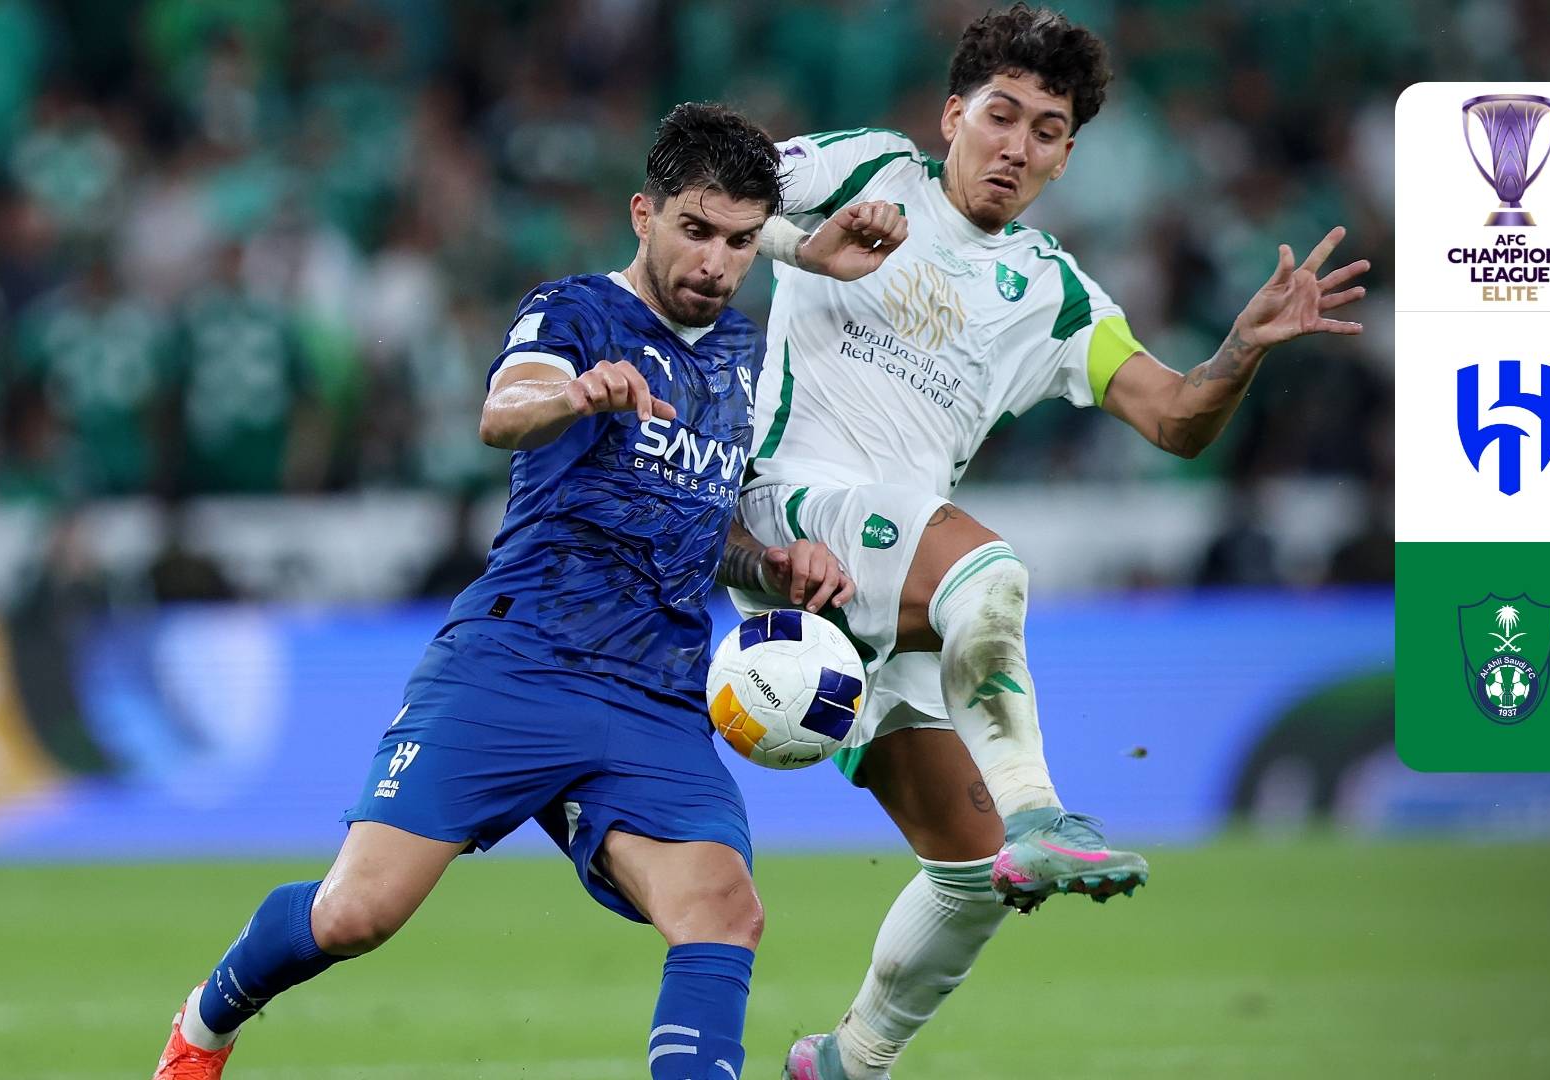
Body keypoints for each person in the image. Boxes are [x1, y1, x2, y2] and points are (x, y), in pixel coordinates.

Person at [150, 102, 901, 1079]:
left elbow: (701, 517)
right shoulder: (574, 313)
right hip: (518, 661)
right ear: (644, 214)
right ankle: (205, 1025)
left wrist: (773, 563)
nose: (716, 263)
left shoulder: (740, 355)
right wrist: (575, 395)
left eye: (740, 241)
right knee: (356, 914)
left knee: (721, 911)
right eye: (696, 230)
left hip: (655, 689)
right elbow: (504, 411)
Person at [733, 7, 1370, 1077]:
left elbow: (1175, 419)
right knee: (989, 570)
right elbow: (713, 194)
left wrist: (1239, 351)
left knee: (973, 874)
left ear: (1066, 157)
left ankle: (847, 1061)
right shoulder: (866, 168)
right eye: (1001, 115)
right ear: (952, 116)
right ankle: (1043, 811)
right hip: (791, 511)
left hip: (898, 582)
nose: (1017, 146)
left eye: (1047, 130)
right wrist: (803, 246)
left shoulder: (1053, 291)